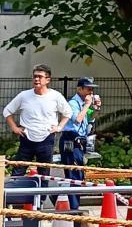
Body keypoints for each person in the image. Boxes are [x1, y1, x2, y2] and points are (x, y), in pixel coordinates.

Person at [3, 64, 72, 179]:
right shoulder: (24, 95)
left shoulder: (55, 96)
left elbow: (67, 113)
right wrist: (14, 128)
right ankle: (14, 195)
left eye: (40, 77)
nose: (36, 79)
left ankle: (42, 196)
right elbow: (7, 111)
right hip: (26, 137)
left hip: (46, 138)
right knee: (18, 171)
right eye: (34, 76)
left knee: (44, 173)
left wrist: (59, 127)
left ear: (48, 80)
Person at [61, 77, 101, 209]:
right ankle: (73, 207)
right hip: (70, 139)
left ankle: (75, 205)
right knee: (73, 173)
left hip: (81, 140)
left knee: (79, 174)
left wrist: (96, 108)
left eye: (92, 89)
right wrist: (88, 105)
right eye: (88, 88)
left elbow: (90, 120)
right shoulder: (73, 103)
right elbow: (77, 120)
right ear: (79, 89)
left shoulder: (84, 103)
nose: (91, 91)